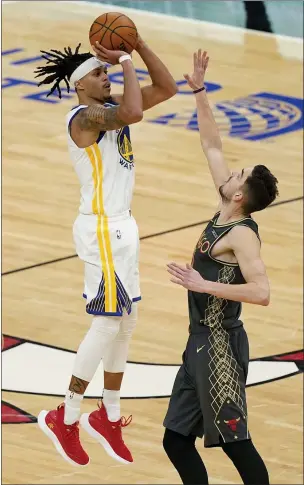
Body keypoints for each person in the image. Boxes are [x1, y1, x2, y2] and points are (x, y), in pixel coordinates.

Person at [34, 36, 177, 467]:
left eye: (107, 69)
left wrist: (141, 43)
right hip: (101, 228)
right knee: (107, 322)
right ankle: (67, 416)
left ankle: (107, 415)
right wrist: (127, 59)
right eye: (99, 72)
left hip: (122, 227)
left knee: (127, 321)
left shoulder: (110, 110)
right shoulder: (84, 117)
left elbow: (167, 88)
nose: (107, 74)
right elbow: (132, 110)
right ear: (80, 84)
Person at [163, 49, 278, 485]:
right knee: (175, 441)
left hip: (221, 349)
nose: (229, 174)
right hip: (198, 342)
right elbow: (211, 143)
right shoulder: (224, 205)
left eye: (237, 175)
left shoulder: (242, 235)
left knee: (235, 442)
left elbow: (262, 292)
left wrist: (203, 284)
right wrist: (198, 90)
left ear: (239, 196)